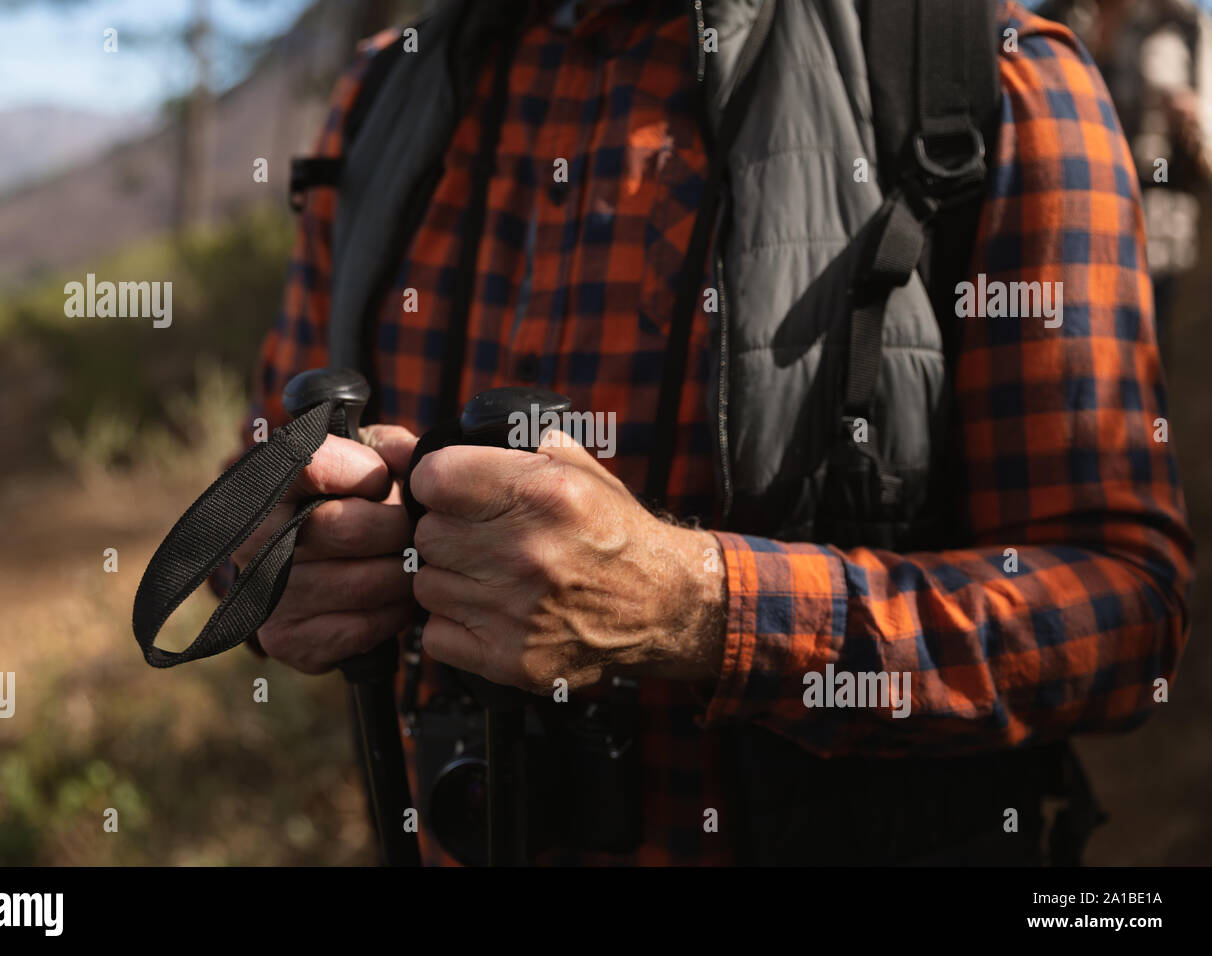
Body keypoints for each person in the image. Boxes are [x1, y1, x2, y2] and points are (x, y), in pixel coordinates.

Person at [223, 0, 1193, 865]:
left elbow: (1122, 612)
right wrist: (275, 558)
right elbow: (258, 491)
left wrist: (703, 610)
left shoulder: (988, 79)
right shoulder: (389, 93)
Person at [1042, 0, 1212, 354]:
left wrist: (1193, 121)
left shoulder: (1186, 27)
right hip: (1077, 219)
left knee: (1152, 344)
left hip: (1162, 223)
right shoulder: (1060, 18)